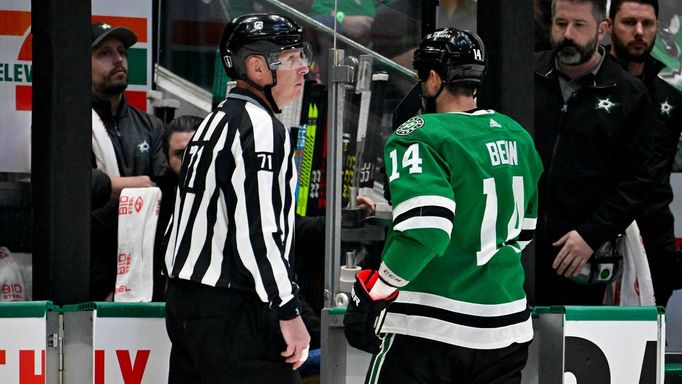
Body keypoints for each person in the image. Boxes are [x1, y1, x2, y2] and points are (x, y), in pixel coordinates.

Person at [344, 28, 543, 383]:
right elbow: (522, 231)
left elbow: (426, 227)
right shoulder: (517, 135)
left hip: (430, 330)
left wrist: (378, 289)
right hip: (507, 328)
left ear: (434, 77)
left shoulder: (421, 133)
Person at [164, 14, 313, 382]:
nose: (304, 68)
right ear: (258, 67)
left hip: (186, 303)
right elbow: (256, 231)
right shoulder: (262, 128)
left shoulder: (213, 122)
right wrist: (288, 312)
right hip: (233, 310)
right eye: (292, 58)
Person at [534, 0, 654, 305]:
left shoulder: (628, 93)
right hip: (515, 248)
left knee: (573, 348)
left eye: (579, 25)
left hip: (580, 252)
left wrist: (592, 232)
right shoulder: (525, 75)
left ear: (602, 30)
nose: (567, 35)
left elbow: (639, 179)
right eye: (560, 24)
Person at [607, 0, 682, 307]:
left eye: (647, 24)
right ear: (609, 25)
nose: (639, 32)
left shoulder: (670, 99)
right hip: (597, 233)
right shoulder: (589, 88)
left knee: (651, 339)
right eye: (628, 23)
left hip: (654, 236)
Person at [90, 22, 167, 300]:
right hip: (90, 270)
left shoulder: (150, 125)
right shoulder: (71, 124)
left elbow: (161, 188)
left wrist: (112, 186)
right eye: (105, 53)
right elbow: (76, 187)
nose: (118, 59)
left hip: (145, 268)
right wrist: (135, 185)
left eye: (121, 51)